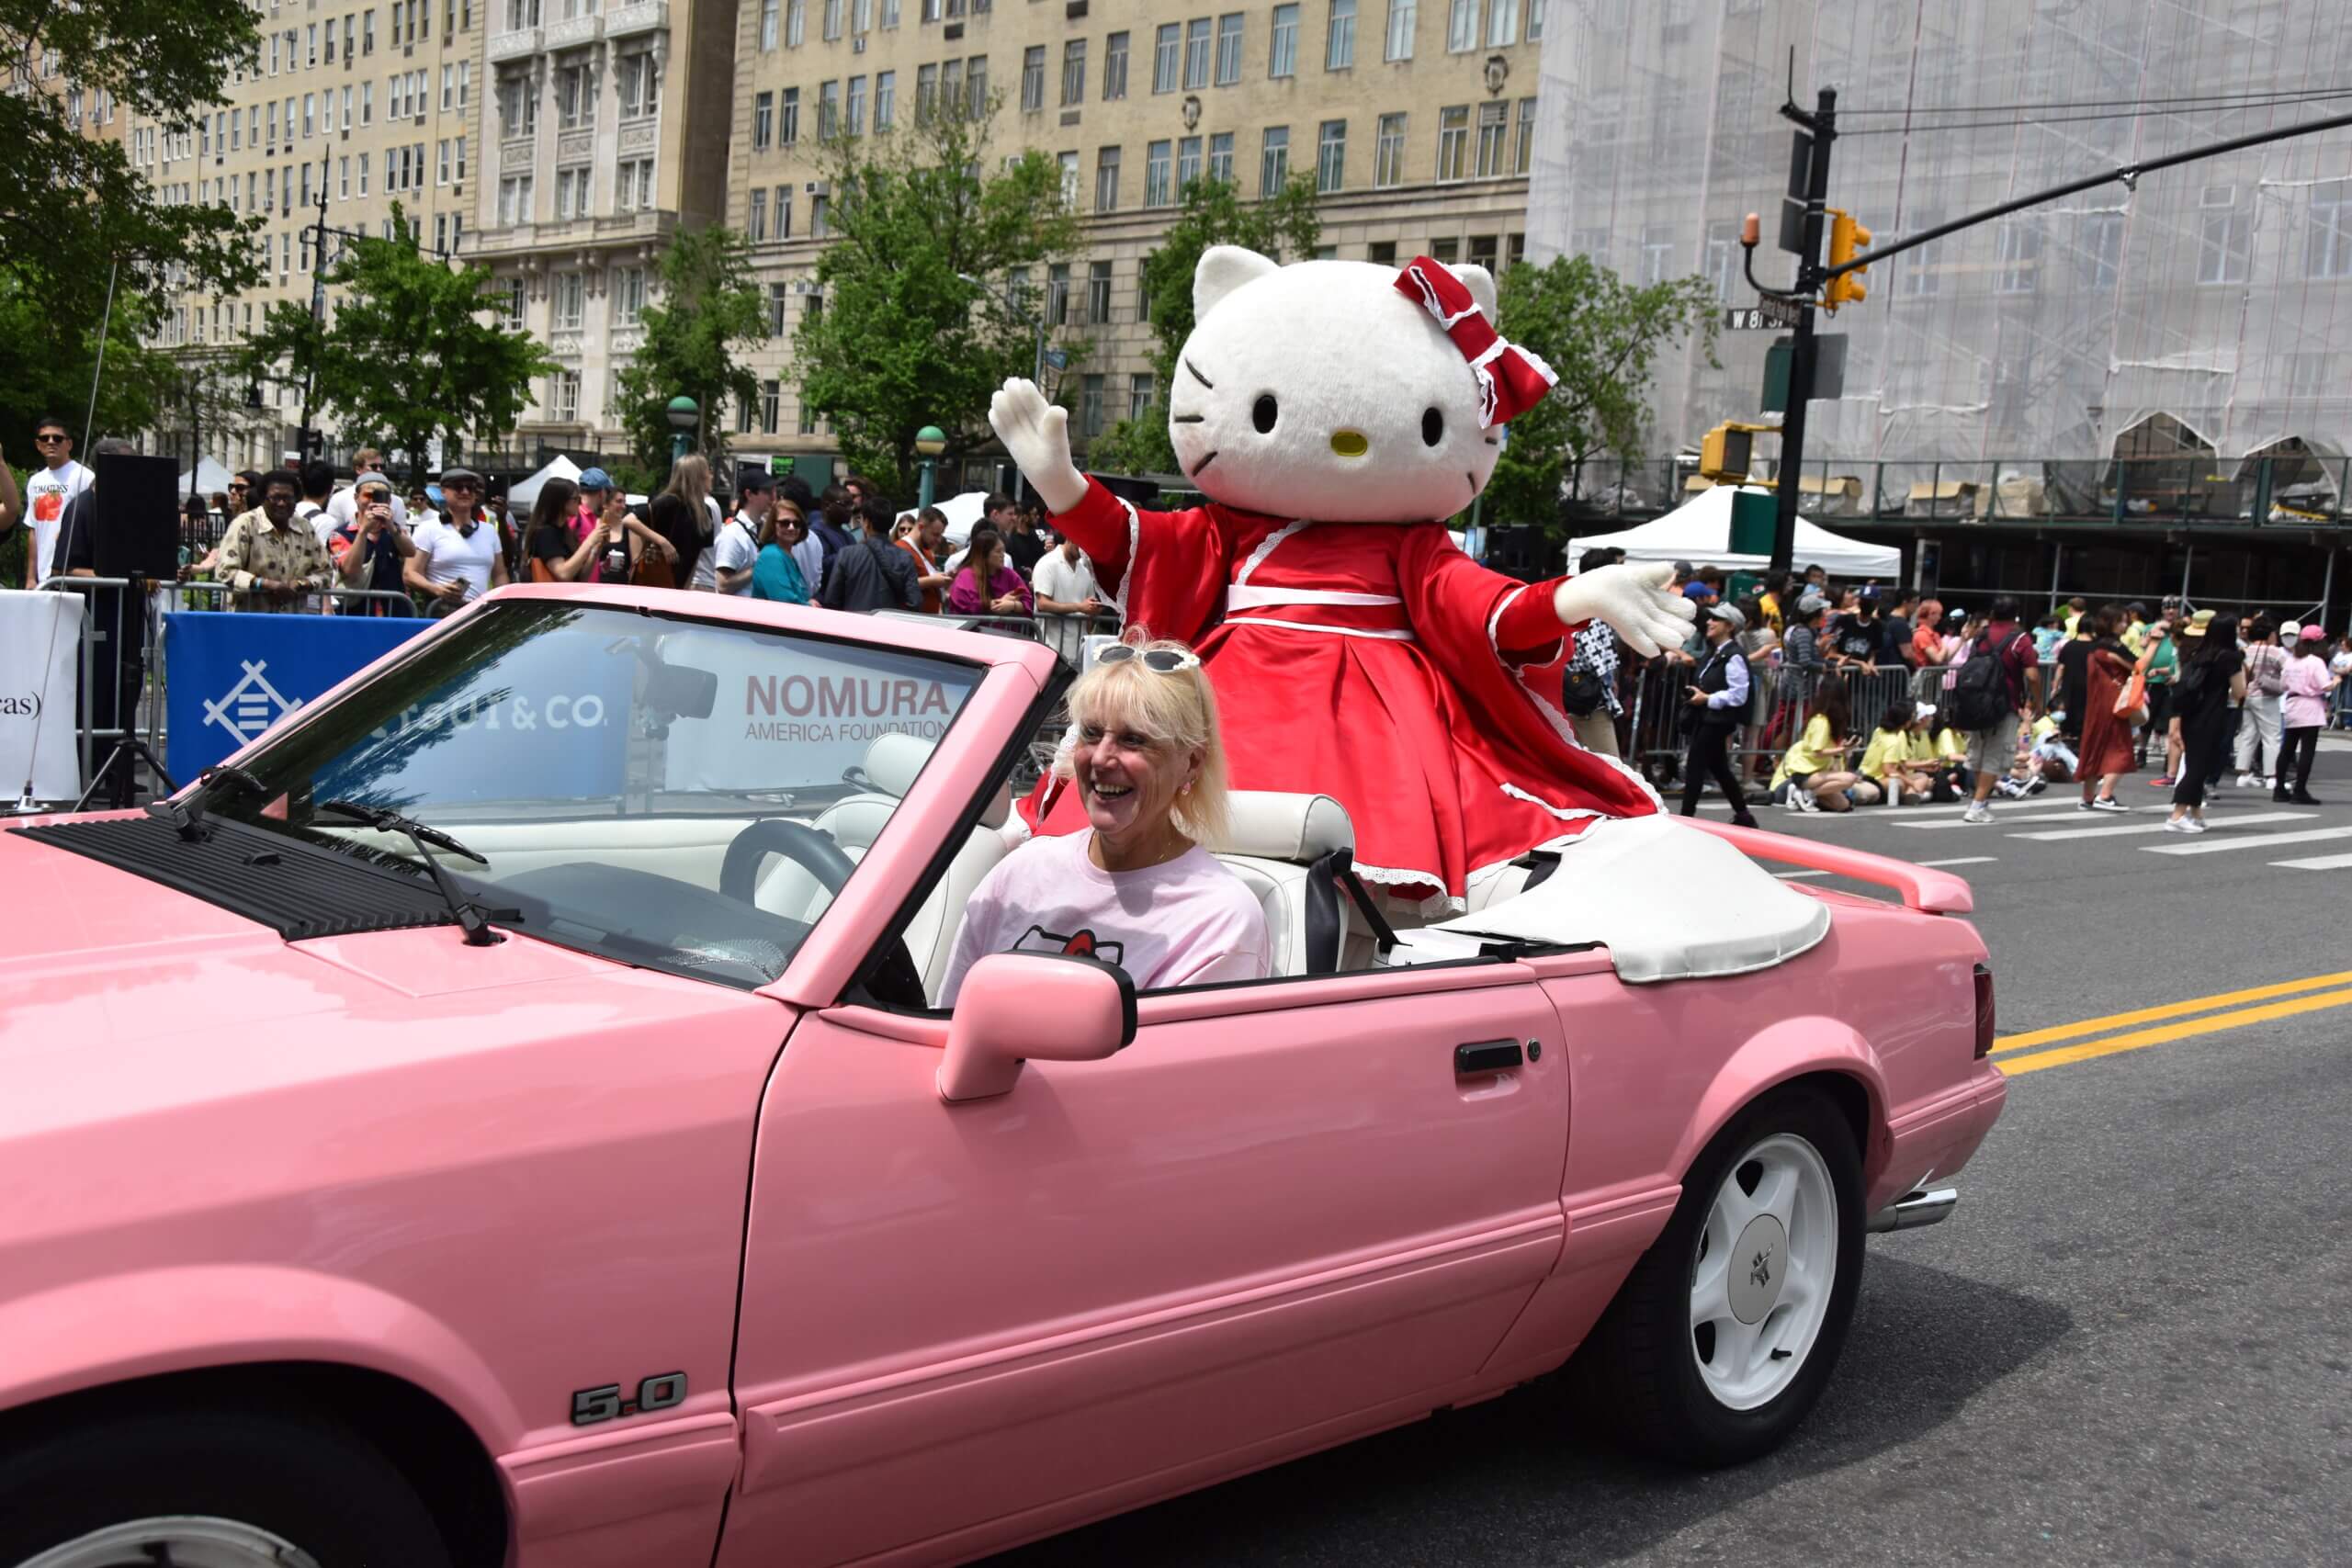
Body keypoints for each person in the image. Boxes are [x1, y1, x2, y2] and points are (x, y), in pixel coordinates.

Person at [940, 637, 1271, 1004]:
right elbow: (949, 1022)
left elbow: (1175, 1059)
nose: (1100, 758)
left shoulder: (1220, 919)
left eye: (1133, 740)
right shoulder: (1020, 872)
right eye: (1092, 733)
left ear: (1190, 763)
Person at [1958, 594, 2041, 825]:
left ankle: (1980, 802)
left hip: (1976, 702)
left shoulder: (1982, 634)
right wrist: (2038, 699)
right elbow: (2032, 675)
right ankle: (1976, 806)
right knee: (1994, 757)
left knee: (1978, 755)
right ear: (2016, 614)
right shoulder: (2020, 638)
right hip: (2005, 703)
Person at [1678, 604, 1760, 827]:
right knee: (1719, 767)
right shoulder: (1714, 652)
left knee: (1695, 764)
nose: (1709, 622)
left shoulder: (1733, 656)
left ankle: (1685, 819)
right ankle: (1744, 815)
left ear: (1730, 626)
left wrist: (1707, 699)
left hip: (1718, 720)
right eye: (1710, 618)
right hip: (1706, 717)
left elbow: (1738, 695)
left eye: (1716, 619)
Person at [2164, 612, 2245, 832]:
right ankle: (2177, 815)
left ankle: (2196, 814)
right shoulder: (2230, 656)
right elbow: (2240, 692)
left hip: (2191, 714)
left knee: (2195, 762)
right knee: (2199, 767)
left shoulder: (2198, 652)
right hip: (2213, 714)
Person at [215, 468, 335, 613]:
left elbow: (326, 572)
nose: (282, 503)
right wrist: (264, 584)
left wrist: (301, 584)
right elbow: (225, 571)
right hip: (250, 618)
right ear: (263, 498)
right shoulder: (245, 524)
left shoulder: (305, 528)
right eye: (275, 498)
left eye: (288, 498)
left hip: (292, 620)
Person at [405, 467, 510, 615]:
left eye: (470, 488)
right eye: (458, 487)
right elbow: (410, 573)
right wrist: (437, 590)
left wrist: (501, 603)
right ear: (443, 491)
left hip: (480, 613)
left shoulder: (489, 531)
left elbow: (500, 574)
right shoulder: (429, 528)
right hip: (442, 612)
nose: (465, 492)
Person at [1770, 672, 1871, 812]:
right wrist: (1841, 750)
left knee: (1844, 806)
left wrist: (1845, 751)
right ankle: (1807, 794)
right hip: (1804, 774)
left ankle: (1809, 796)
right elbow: (1817, 752)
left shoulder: (1828, 722)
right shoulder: (1821, 721)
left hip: (1818, 774)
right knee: (1849, 778)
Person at [2074, 606, 2143, 812]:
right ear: (2110, 622)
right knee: (2121, 749)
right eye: (2121, 621)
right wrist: (2153, 645)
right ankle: (2105, 795)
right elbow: (2140, 666)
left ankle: (2088, 798)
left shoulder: (2094, 646)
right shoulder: (2115, 646)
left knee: (2095, 748)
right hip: (2114, 703)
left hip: (2095, 703)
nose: (2125, 625)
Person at [22, 413, 94, 586]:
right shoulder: (35, 481)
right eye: (45, 438)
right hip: (43, 577)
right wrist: (31, 577)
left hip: (71, 572)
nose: (51, 442)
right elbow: (34, 530)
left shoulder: (84, 476)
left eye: (58, 438)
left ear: (69, 444)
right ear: (38, 445)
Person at [815, 495, 921, 612]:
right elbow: (915, 602)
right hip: (890, 625)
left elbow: (832, 600)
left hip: (853, 624)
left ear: (866, 522)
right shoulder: (905, 558)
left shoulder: (846, 554)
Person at [332, 475, 419, 614]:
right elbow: (350, 571)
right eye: (368, 495)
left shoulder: (393, 530)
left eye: (380, 496)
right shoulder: (340, 534)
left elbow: (410, 552)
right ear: (356, 498)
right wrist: (363, 532)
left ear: (389, 501)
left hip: (394, 612)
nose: (373, 501)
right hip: (356, 614)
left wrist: (391, 527)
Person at [2275, 626, 2335, 806]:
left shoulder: (2291, 660)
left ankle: (2279, 788)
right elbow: (2325, 686)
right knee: (2307, 751)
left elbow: (2283, 685)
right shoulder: (2316, 661)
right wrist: (2336, 681)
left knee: (2287, 749)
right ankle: (2299, 790)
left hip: (2292, 705)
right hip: (2310, 706)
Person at [1032, 532, 1105, 665]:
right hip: (1050, 650)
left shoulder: (1085, 571)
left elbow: (1089, 610)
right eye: (1081, 546)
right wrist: (1080, 607)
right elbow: (1042, 604)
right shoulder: (1047, 563)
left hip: (1078, 652)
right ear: (1070, 537)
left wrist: (1093, 611)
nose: (1083, 551)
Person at [2234, 616, 2286, 790]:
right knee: (2272, 737)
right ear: (2270, 633)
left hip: (2247, 695)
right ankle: (2272, 776)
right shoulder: (2275, 652)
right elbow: (2287, 671)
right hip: (2266, 697)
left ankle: (2243, 774)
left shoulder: (2246, 650)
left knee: (2248, 734)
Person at [523, 478, 606, 583]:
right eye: (576, 499)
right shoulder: (545, 533)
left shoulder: (565, 532)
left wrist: (595, 549)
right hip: (547, 598)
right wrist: (590, 541)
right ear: (560, 502)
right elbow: (563, 574)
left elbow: (581, 578)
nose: (580, 504)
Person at [946, 527, 1034, 616]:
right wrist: (997, 603)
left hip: (1007, 630)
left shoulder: (1009, 574)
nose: (1003, 555)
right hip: (973, 630)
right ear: (984, 554)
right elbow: (967, 604)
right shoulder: (966, 575)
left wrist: (1012, 605)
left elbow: (1028, 600)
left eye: (1003, 550)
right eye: (998, 551)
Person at [324, 448, 410, 537]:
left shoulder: (397, 501)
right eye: (373, 466)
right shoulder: (339, 498)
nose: (379, 469)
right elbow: (332, 534)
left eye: (382, 466)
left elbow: (404, 535)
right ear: (358, 469)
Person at [713, 470, 772, 596]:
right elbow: (723, 585)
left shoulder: (763, 528)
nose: (773, 496)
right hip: (736, 613)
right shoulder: (732, 534)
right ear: (749, 494)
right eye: (767, 491)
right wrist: (759, 567)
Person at [752, 498, 813, 604]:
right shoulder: (771, 555)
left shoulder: (788, 556)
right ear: (773, 525)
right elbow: (785, 601)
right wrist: (809, 606)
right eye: (785, 523)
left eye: (796, 523)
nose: (791, 527)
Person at [898, 506, 953, 613]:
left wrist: (943, 578)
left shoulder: (927, 551)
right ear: (921, 527)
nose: (939, 540)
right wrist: (932, 581)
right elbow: (900, 585)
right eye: (935, 535)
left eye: (940, 535)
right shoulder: (900, 549)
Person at [995, 491, 1047, 578]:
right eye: (1034, 514)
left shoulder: (1036, 537)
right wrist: (1024, 571)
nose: (1038, 517)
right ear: (1025, 517)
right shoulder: (1011, 541)